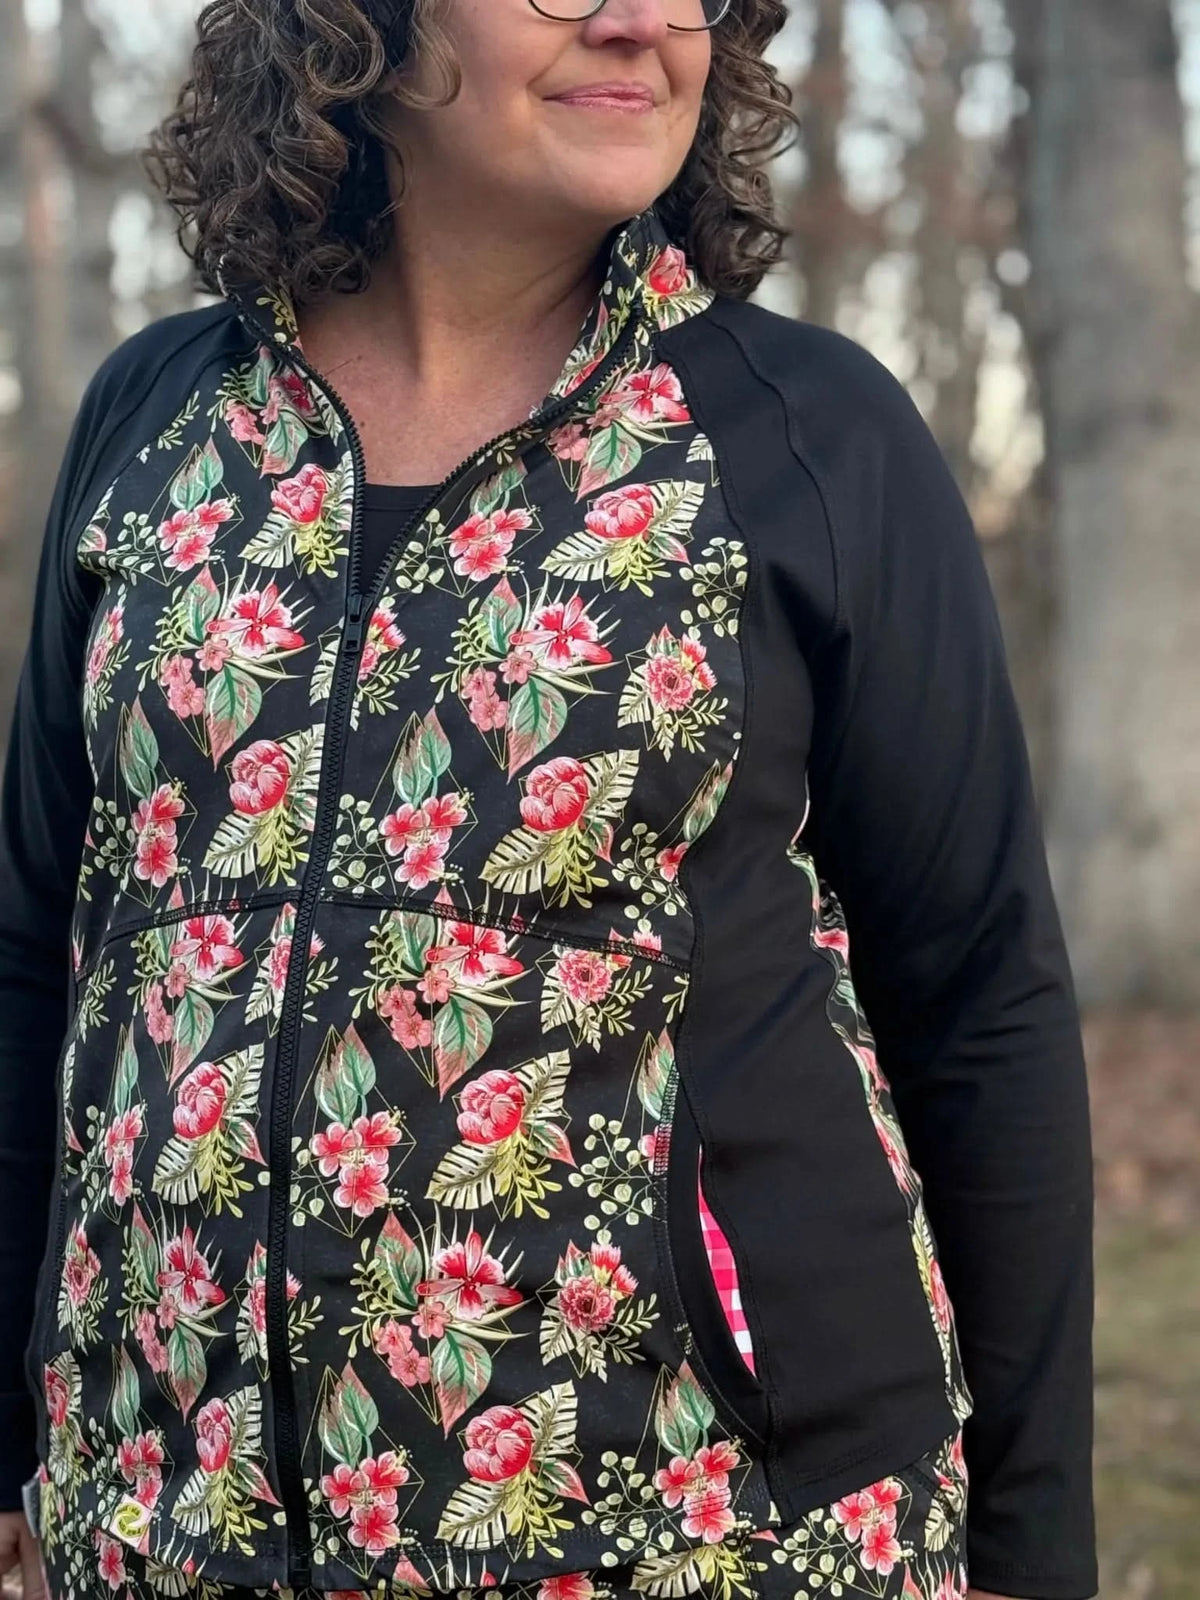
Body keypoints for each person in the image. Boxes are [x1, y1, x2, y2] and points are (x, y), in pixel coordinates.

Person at [0, 2, 1098, 1599]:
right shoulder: (157, 422)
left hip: (718, 1532)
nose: (644, 19)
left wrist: (1030, 1545)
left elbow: (982, 995)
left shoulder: (807, 438)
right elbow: (40, 949)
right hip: (174, 1525)